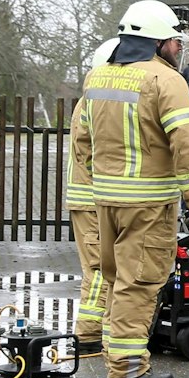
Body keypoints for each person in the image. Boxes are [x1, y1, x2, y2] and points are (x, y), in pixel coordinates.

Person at [70, 0, 189, 378]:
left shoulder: (98, 77)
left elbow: (82, 141)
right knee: (140, 281)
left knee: (114, 279)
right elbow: (187, 144)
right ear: (158, 42)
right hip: (148, 204)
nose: (178, 50)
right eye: (174, 43)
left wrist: (103, 179)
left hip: (104, 201)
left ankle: (119, 357)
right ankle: (128, 369)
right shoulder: (166, 81)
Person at [65, 36, 119, 357]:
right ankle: (88, 335)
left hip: (89, 198)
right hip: (92, 199)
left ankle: (95, 334)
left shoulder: (90, 100)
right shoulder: (95, 103)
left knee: (101, 268)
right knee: (99, 269)